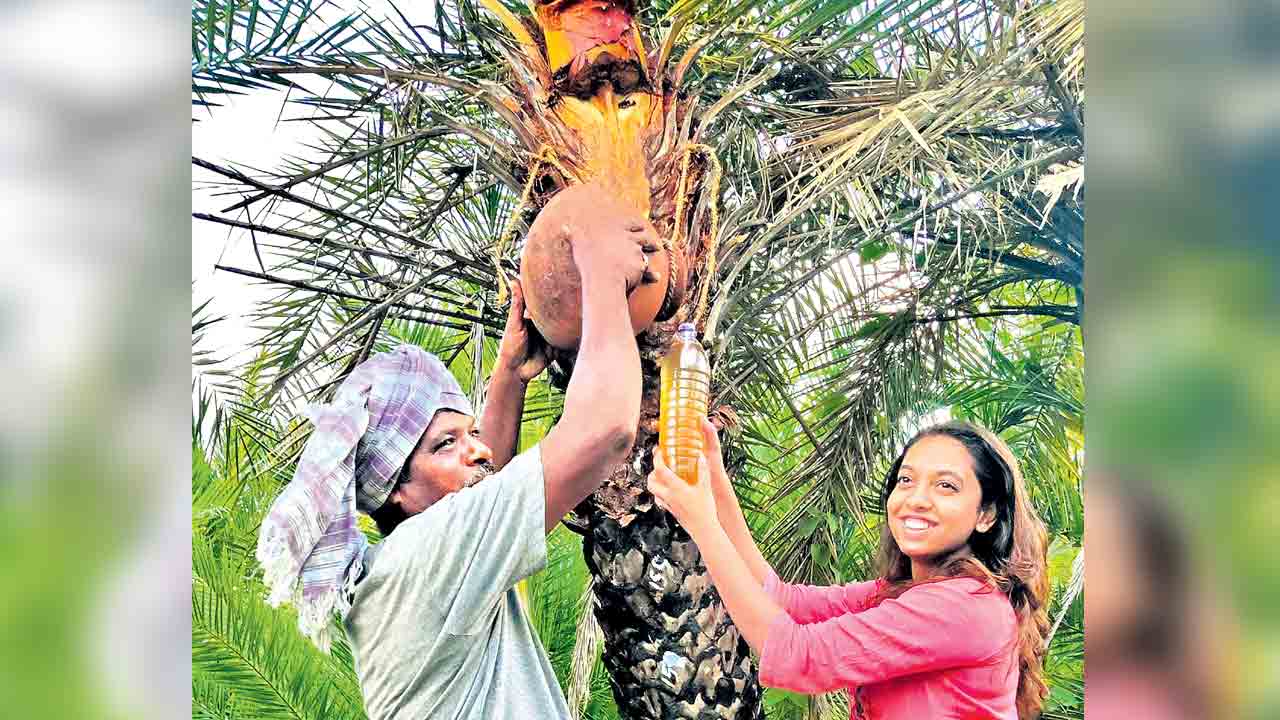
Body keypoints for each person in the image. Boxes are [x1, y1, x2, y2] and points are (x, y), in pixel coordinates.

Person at [255, 183, 658, 720]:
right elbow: (606, 430)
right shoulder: (429, 554)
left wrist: (510, 373)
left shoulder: (399, 567)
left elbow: (485, 477)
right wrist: (602, 272)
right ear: (396, 488)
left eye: (468, 433)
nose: (478, 452)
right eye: (446, 444)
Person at [648, 419, 1051, 719]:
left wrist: (700, 521)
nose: (917, 499)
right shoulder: (910, 592)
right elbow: (781, 598)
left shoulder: (966, 606)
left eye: (946, 486)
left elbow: (796, 656)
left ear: (986, 515)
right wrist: (716, 477)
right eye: (906, 480)